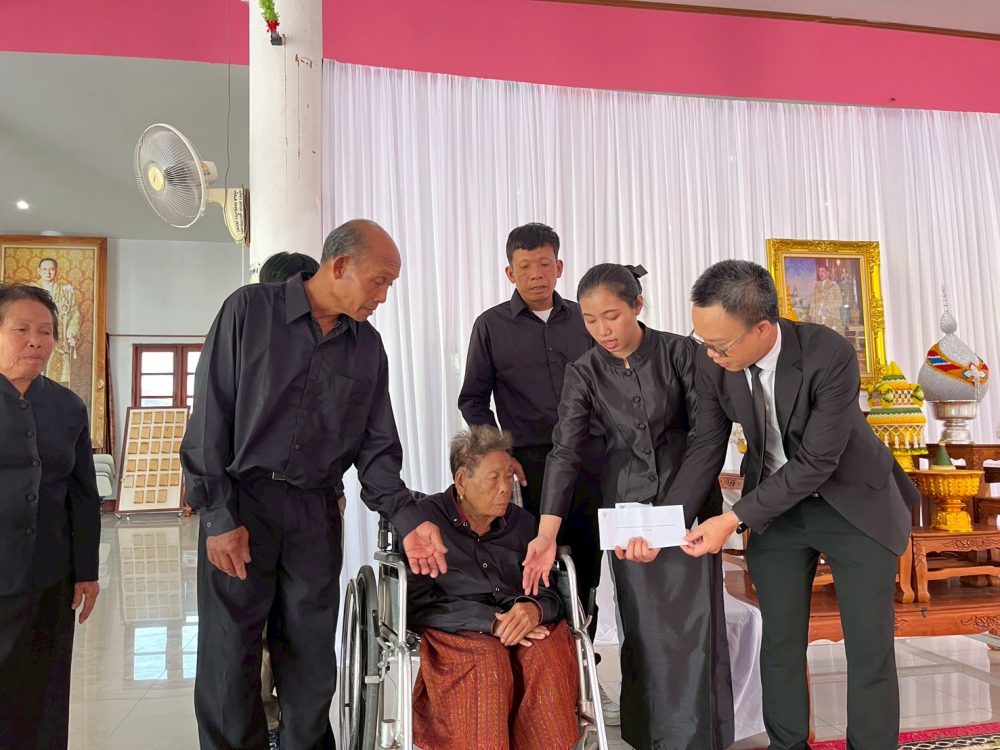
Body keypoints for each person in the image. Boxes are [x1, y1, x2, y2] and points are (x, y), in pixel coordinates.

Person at [181, 219, 448, 750]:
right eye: (379, 281)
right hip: (243, 504)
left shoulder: (367, 346)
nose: (383, 296)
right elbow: (210, 418)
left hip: (315, 512)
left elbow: (377, 449)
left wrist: (408, 518)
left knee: (310, 653)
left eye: (390, 285)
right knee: (230, 653)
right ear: (340, 266)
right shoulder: (249, 311)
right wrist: (217, 515)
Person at [668, 259, 918, 750]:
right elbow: (706, 445)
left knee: (868, 646)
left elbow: (817, 461)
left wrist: (734, 518)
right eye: (704, 342)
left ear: (763, 328)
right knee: (779, 642)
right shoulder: (713, 362)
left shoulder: (828, 353)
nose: (711, 354)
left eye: (721, 345)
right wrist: (666, 522)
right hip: (776, 509)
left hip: (854, 503)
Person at [522, 263, 734, 750]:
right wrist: (546, 533)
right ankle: (650, 737)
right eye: (590, 320)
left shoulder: (682, 353)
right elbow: (565, 452)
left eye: (612, 316)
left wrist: (670, 520)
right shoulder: (584, 371)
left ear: (638, 305)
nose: (603, 330)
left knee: (694, 630)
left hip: (689, 511)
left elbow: (708, 438)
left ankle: (698, 739)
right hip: (628, 514)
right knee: (643, 630)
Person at [456, 222, 620, 720]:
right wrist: (499, 454)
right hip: (528, 466)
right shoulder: (490, 326)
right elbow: (473, 399)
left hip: (591, 461)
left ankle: (585, 673)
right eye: (525, 266)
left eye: (544, 264)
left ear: (559, 267)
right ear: (510, 272)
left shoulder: (584, 320)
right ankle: (542, 679)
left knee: (587, 567)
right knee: (537, 568)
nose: (536, 275)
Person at [408, 425, 580, 750]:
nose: (505, 488)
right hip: (457, 625)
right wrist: (490, 621)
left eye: (509, 477)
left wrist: (534, 609)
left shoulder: (524, 524)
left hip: (521, 621)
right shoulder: (425, 522)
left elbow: (550, 593)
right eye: (494, 478)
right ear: (462, 480)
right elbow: (416, 603)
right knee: (487, 661)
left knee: (547, 650)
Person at [0, 283, 101, 749]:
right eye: (21, 329)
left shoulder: (67, 406)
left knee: (44, 689)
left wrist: (87, 572)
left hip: (49, 574)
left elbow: (83, 495)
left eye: (45, 332)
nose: (35, 341)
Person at [254, 250, 322, 750]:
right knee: (255, 630)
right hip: (253, 500)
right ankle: (266, 725)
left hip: (315, 503)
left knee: (304, 627)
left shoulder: (338, 343)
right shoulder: (248, 338)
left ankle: (302, 732)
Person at [32, 258, 80, 386]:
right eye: (44, 269)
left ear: (56, 271)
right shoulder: (30, 291)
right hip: (36, 338)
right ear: (39, 271)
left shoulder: (66, 291)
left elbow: (74, 313)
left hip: (59, 340)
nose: (48, 273)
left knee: (56, 382)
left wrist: (71, 333)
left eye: (51, 269)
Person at [805, 261, 844, 334]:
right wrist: (812, 315)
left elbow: (839, 301)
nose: (821, 273)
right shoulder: (816, 285)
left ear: (827, 273)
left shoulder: (834, 284)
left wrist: (828, 307)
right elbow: (813, 301)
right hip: (818, 319)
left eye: (823, 271)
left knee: (831, 336)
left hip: (831, 317)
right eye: (819, 271)